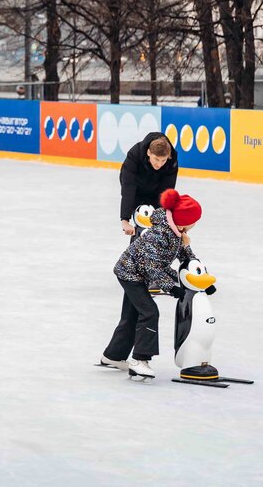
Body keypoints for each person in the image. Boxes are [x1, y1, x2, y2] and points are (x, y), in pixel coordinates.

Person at [100, 189, 205, 379]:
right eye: (194, 220)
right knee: (149, 312)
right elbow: (151, 267)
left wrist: (189, 256)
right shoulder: (158, 234)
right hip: (130, 273)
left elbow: (184, 258)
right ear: (183, 220)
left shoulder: (176, 232)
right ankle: (140, 360)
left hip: (140, 273)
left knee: (131, 314)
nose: (196, 224)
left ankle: (113, 356)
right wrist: (171, 287)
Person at [119, 133, 178, 240]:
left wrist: (163, 216)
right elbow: (129, 188)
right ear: (148, 152)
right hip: (136, 189)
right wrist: (125, 220)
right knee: (143, 221)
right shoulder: (134, 155)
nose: (159, 164)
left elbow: (166, 191)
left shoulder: (171, 160)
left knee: (158, 225)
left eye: (163, 160)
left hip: (157, 189)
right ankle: (134, 254)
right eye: (156, 159)